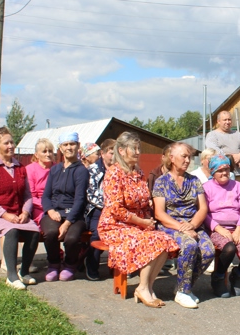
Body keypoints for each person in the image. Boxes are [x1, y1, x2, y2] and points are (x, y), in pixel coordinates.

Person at [98, 132, 177, 308]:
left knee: (165, 240)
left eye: (139, 147)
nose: (137, 151)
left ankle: (147, 286)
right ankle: (143, 289)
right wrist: (141, 222)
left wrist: (147, 213)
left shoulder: (138, 172)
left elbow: (142, 200)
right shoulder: (114, 173)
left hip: (137, 223)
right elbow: (115, 209)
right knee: (150, 241)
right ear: (121, 150)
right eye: (133, 148)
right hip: (115, 226)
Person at [152, 142, 216, 308]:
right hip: (170, 226)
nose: (188, 160)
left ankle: (183, 287)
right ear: (172, 158)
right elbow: (159, 213)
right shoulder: (161, 182)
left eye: (189, 157)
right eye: (184, 156)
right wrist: (181, 228)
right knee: (189, 246)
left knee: (208, 251)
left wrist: (192, 225)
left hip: (191, 225)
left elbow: (203, 208)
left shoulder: (194, 181)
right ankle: (183, 293)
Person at [0, 127, 41, 290]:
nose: (11, 146)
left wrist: (26, 212)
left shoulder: (20, 168)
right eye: (6, 143)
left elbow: (27, 195)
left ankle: (24, 272)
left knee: (34, 231)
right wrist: (5, 215)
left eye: (12, 142)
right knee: (11, 231)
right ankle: (11, 276)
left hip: (17, 215)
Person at [203, 154, 240, 297]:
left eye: (226, 169)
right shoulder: (206, 188)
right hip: (216, 228)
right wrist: (218, 228)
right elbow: (204, 213)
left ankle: (238, 275)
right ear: (213, 172)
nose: (224, 173)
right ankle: (218, 277)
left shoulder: (237, 186)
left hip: (236, 227)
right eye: (220, 170)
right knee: (229, 248)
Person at [41, 132, 89, 282]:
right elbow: (46, 196)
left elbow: (80, 200)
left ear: (78, 146)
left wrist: (67, 223)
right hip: (55, 211)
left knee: (72, 238)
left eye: (72, 144)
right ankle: (54, 264)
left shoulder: (81, 171)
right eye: (65, 145)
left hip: (74, 214)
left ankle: (70, 264)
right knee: (50, 232)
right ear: (60, 149)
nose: (69, 147)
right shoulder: (55, 170)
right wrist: (50, 211)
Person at [85, 138, 115, 280]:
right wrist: (108, 205)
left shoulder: (120, 170)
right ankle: (91, 266)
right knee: (98, 234)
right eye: (110, 152)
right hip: (97, 210)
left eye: (116, 152)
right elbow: (90, 194)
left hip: (116, 211)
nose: (113, 156)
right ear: (102, 153)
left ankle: (117, 266)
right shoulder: (93, 170)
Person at [205, 110, 240, 178]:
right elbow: (215, 152)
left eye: (229, 119)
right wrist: (233, 158)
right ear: (218, 121)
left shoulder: (238, 134)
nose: (227, 122)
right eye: (225, 120)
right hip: (221, 174)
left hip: (237, 173)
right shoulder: (212, 135)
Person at [26, 138, 55, 226]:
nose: (48, 154)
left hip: (57, 205)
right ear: (36, 155)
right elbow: (31, 196)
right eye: (44, 151)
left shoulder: (58, 168)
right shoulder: (30, 169)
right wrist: (48, 207)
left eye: (50, 151)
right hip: (38, 207)